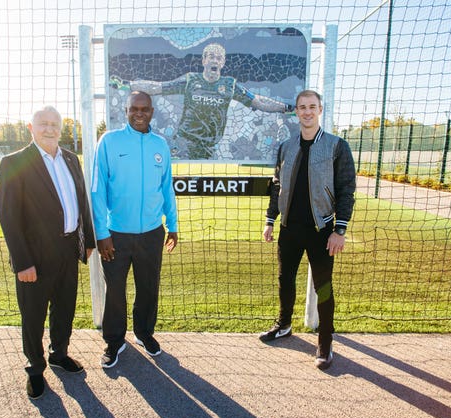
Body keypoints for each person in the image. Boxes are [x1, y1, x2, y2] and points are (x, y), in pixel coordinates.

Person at [0, 105, 96, 399]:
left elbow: (81, 202)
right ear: (31, 127)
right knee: (33, 315)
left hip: (68, 248)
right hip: (34, 256)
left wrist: (87, 240)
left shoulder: (70, 158)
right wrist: (22, 262)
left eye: (54, 124)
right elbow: (9, 218)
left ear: (61, 128)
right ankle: (35, 368)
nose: (49, 128)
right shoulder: (14, 162)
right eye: (43, 123)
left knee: (64, 308)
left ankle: (59, 354)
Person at [260, 90, 356, 370]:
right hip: (290, 228)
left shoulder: (337, 146)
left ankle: (325, 341)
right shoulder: (286, 146)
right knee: (284, 280)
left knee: (323, 287)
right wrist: (270, 220)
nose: (306, 112)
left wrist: (340, 229)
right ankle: (284, 324)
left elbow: (346, 189)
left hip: (322, 230)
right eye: (302, 107)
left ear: (320, 110)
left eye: (312, 107)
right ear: (297, 112)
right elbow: (277, 185)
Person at [92, 91, 178, 369]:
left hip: (152, 233)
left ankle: (144, 333)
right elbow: (97, 189)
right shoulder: (109, 141)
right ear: (125, 111)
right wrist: (102, 233)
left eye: (144, 109)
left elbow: (167, 188)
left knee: (148, 287)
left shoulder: (160, 145)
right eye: (134, 109)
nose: (139, 114)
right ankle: (114, 341)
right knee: (115, 290)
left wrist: (173, 225)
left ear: (152, 112)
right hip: (116, 234)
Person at [111, 42, 293, 159]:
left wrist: (285, 107)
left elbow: (258, 101)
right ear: (204, 60)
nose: (215, 60)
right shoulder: (191, 80)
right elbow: (158, 87)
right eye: (211, 56)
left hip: (210, 146)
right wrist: (128, 84)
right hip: (184, 142)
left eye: (219, 58)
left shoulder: (230, 85)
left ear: (223, 63)